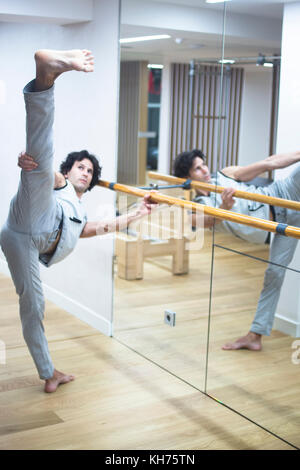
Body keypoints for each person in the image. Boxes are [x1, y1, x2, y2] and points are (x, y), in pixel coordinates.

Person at [0, 49, 156, 393]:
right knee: (39, 162)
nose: (85, 172)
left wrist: (133, 215)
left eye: (90, 170)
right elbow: (53, 179)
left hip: (31, 238)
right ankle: (46, 77)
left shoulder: (79, 210)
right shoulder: (64, 185)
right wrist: (39, 168)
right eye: (80, 167)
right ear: (71, 170)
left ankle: (49, 372)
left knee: (34, 305)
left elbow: (88, 230)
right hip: (32, 212)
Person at [173, 149, 300, 351]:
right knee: (274, 274)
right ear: (187, 178)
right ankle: (255, 336)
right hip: (285, 225)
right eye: (197, 168)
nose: (205, 170)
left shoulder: (226, 174)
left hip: (286, 193)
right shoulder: (197, 208)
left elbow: (269, 163)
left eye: (203, 164)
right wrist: (224, 206)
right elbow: (210, 220)